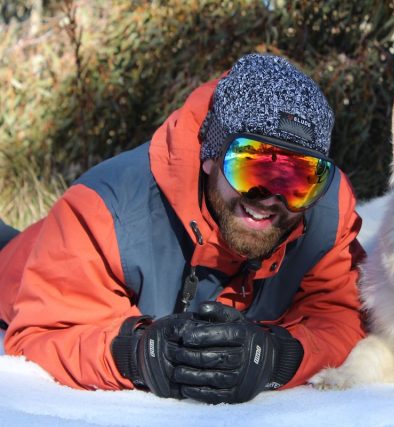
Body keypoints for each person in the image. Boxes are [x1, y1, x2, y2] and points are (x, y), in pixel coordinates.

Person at [0, 54, 366, 404]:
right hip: (19, 269)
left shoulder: (328, 212)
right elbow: (42, 332)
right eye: (251, 167)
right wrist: (139, 354)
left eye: (299, 177)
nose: (271, 197)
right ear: (211, 156)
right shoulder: (102, 207)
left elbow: (343, 316)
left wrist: (276, 357)